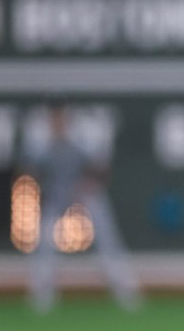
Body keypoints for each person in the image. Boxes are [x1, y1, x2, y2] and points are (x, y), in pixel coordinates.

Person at [20, 103, 142, 313]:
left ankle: (125, 290)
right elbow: (28, 170)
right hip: (56, 192)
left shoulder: (82, 137)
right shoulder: (39, 140)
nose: (57, 120)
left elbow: (101, 168)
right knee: (44, 240)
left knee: (106, 235)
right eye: (54, 116)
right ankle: (42, 294)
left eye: (60, 116)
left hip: (83, 191)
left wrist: (87, 182)